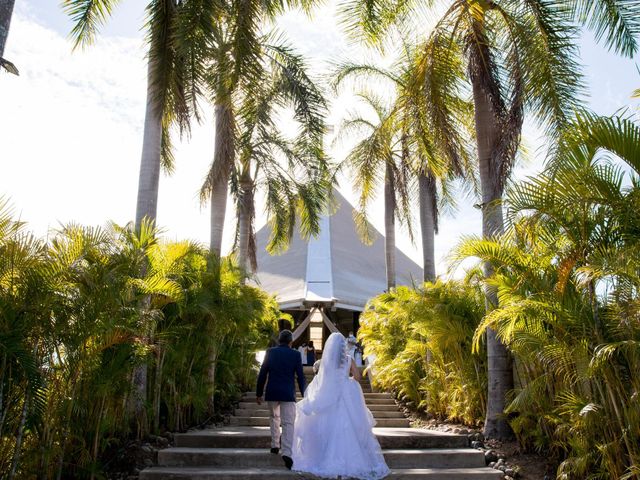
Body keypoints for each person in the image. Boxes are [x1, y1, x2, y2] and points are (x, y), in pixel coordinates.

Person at [292, 332, 389, 480]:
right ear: (343, 346)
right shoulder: (349, 360)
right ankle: (352, 462)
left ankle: (326, 459)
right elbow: (357, 377)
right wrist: (348, 378)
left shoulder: (326, 362)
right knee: (348, 425)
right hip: (347, 395)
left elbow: (323, 379)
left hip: (330, 393)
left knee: (330, 426)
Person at [256, 330, 306, 470]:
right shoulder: (295, 354)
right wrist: (304, 394)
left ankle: (274, 445)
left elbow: (262, 373)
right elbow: (300, 377)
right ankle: (287, 453)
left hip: (272, 392)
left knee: (274, 418)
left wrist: (259, 393)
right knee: (288, 423)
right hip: (288, 393)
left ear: (279, 340)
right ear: (291, 341)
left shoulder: (270, 352)